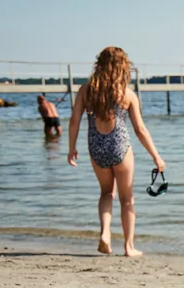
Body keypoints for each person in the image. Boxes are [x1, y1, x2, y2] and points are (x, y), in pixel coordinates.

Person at [67, 46, 165, 257]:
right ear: (123, 67)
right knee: (127, 199)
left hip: (96, 147)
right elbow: (140, 129)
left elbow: (74, 121)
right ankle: (129, 247)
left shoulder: (86, 91)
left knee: (105, 193)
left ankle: (105, 234)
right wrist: (156, 156)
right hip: (120, 147)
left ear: (99, 65)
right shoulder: (127, 94)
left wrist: (71, 147)